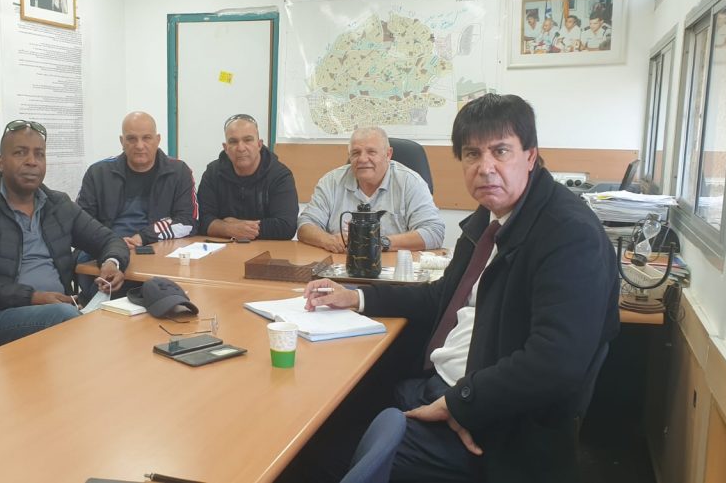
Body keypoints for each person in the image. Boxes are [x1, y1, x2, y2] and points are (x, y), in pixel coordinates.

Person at [304, 94, 620, 482]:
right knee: (326, 413)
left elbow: (556, 362)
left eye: (500, 151)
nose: (485, 168)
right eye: (472, 154)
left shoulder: (568, 235)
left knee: (315, 454)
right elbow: (442, 295)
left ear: (530, 156)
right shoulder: (492, 215)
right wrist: (357, 296)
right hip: (445, 386)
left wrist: (462, 404)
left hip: (494, 427)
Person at [0, 119, 129, 358]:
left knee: (123, 312)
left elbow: (109, 240)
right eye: (20, 153)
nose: (32, 161)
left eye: (39, 154)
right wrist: (32, 298)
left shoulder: (58, 204)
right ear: (1, 162)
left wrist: (112, 262)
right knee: (67, 320)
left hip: (61, 308)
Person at [297, 126, 444, 253]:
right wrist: (328, 240)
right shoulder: (331, 182)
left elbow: (434, 232)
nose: (362, 159)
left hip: (393, 268)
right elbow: (305, 224)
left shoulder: (410, 182)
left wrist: (378, 242)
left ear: (388, 154)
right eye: (356, 153)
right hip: (341, 265)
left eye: (371, 152)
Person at [76, 111, 197, 250]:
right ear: (122, 141)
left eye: (146, 138)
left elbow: (188, 222)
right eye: (132, 139)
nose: (139, 146)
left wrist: (142, 238)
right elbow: (80, 223)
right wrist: (111, 242)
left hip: (155, 247)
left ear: (158, 140)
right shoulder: (98, 173)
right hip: (104, 248)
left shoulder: (179, 172)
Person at [197, 114, 298, 240]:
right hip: (224, 247)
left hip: (266, 248)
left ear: (259, 145)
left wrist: (238, 227)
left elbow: (287, 226)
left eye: (248, 140)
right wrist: (229, 229)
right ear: (225, 148)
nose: (241, 148)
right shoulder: (212, 173)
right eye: (233, 142)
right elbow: (202, 220)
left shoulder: (280, 175)